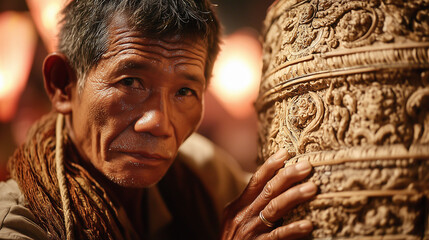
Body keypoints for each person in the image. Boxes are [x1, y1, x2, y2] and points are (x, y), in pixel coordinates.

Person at [0, 0, 317, 239]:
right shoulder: (19, 224)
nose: (160, 123)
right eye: (130, 82)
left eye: (184, 91)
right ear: (63, 84)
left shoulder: (200, 170)